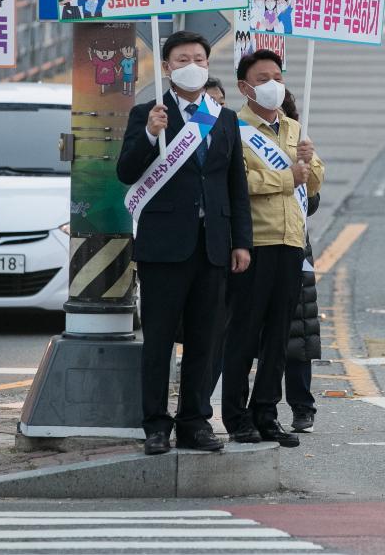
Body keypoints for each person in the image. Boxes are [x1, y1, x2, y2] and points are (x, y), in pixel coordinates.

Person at [116, 31, 253, 456]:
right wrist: (148, 135)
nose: (191, 64)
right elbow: (126, 171)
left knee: (204, 338)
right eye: (182, 58)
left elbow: (235, 186)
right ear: (166, 67)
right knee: (157, 339)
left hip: (212, 245)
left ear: (208, 64)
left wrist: (241, 242)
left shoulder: (224, 118)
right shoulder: (148, 113)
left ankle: (195, 422)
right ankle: (156, 425)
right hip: (163, 246)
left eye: (198, 57)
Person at [222, 50, 324, 448]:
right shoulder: (232, 127)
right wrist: (287, 176)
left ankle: (267, 412)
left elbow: (312, 184)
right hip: (254, 243)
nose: (273, 85)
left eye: (277, 76)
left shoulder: (294, 128)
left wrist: (308, 163)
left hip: (290, 243)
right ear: (245, 87)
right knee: (244, 335)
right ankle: (236, 416)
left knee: (279, 337)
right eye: (263, 78)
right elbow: (240, 181)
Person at [280, 90, 320, 434]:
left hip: (295, 249)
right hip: (255, 247)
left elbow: (312, 202)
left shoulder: (298, 141)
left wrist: (307, 166)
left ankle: (302, 407)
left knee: (297, 336)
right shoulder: (242, 135)